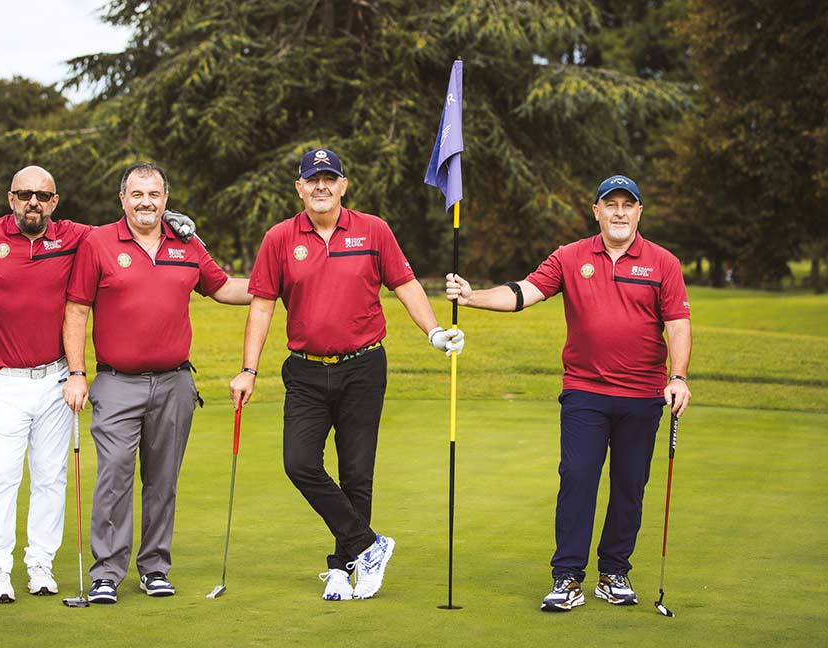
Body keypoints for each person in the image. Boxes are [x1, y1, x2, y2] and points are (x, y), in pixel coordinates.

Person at [445, 174, 692, 612]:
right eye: (610, 204)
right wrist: (472, 296)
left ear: (639, 212)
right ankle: (568, 577)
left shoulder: (663, 263)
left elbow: (677, 324)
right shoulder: (570, 256)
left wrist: (679, 377)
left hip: (642, 394)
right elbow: (525, 292)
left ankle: (613, 572)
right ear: (596, 211)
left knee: (629, 485)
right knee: (577, 477)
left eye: (627, 205)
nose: (619, 213)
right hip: (584, 391)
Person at [229, 148, 464, 601]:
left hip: (363, 367)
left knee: (357, 474)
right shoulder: (279, 238)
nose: (321, 186)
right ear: (299, 188)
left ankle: (344, 566)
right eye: (312, 179)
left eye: (329, 178)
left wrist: (434, 331)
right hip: (305, 371)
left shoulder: (373, 230)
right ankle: (369, 545)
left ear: (343, 185)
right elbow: (261, 306)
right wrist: (248, 370)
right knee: (299, 463)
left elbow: (405, 284)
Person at [62, 162, 250, 604]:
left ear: (165, 199)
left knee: (163, 481)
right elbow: (76, 309)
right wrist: (76, 373)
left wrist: (282, 282)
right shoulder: (98, 243)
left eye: (154, 194)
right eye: (137, 194)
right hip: (116, 382)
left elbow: (223, 288)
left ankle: (154, 568)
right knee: (114, 476)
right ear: (123, 199)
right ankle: (107, 573)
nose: (146, 202)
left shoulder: (186, 243)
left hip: (174, 384)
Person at [0, 165, 89, 603]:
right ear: (11, 198)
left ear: (54, 202)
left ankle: (40, 563)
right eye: (24, 195)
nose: (33, 203)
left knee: (50, 477)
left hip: (56, 378)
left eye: (42, 196)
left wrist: (169, 221)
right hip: (4, 378)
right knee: (3, 474)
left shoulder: (72, 236)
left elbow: (123, 233)